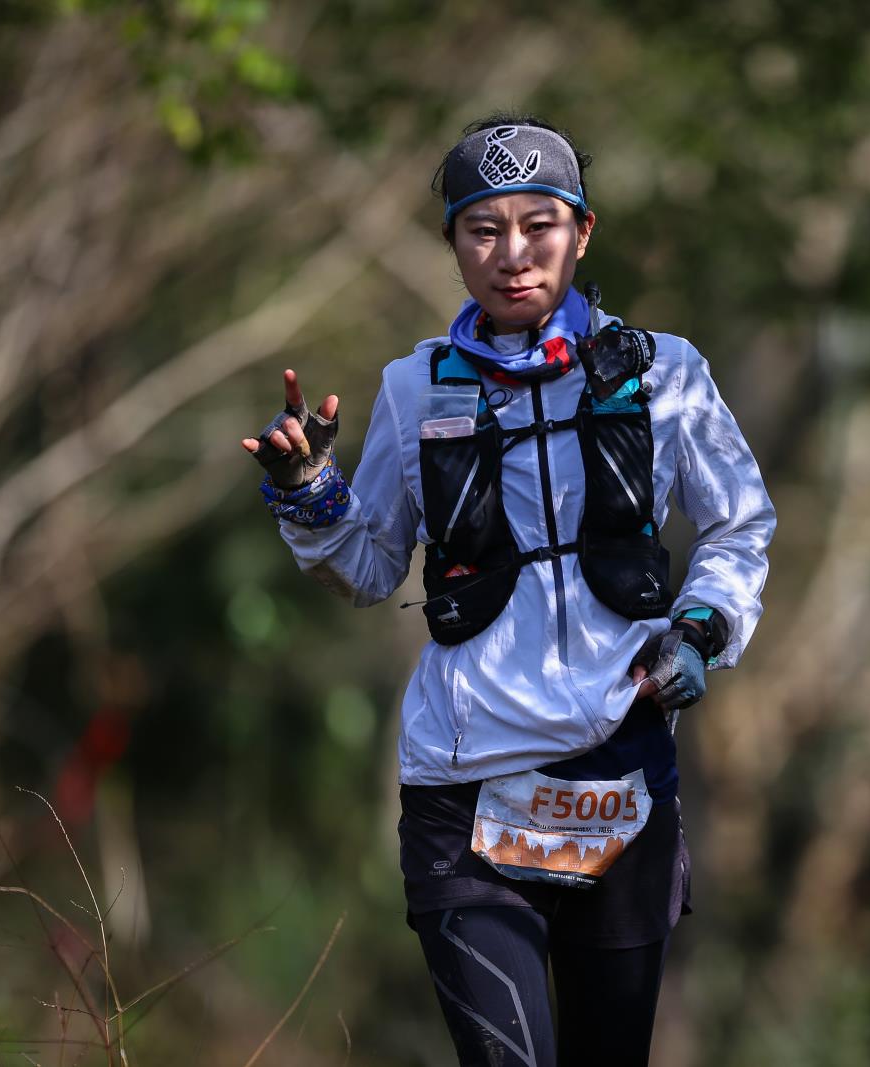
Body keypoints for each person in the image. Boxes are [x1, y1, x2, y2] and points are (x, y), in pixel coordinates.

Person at [241, 115, 774, 1066]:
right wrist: (306, 491)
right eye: (483, 230)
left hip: (621, 778)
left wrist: (701, 630)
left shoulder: (668, 372)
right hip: (464, 794)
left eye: (540, 225)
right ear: (452, 242)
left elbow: (740, 524)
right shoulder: (413, 389)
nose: (513, 254)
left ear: (584, 231)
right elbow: (367, 566)